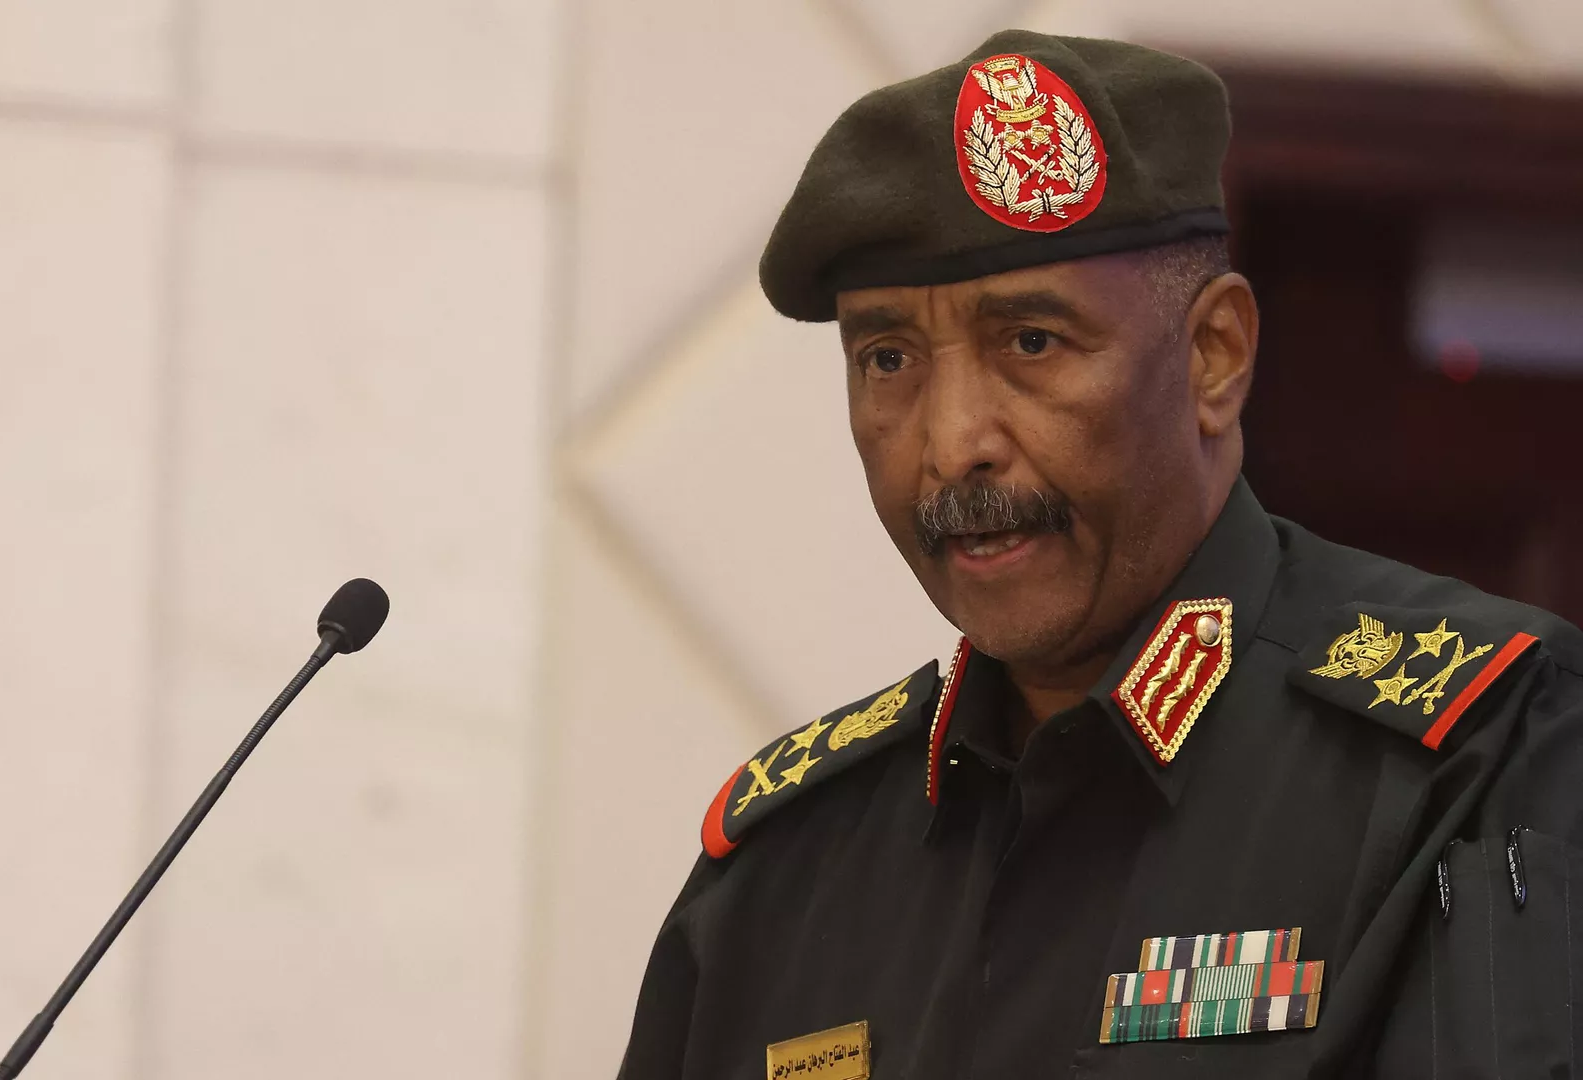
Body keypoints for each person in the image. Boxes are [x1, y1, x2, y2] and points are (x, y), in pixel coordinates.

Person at [616, 28, 1583, 1080]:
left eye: (1031, 343)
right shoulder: (782, 872)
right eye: (887, 360)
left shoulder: (1476, 760)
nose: (952, 444)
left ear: (1214, 357)